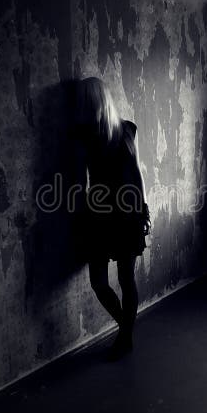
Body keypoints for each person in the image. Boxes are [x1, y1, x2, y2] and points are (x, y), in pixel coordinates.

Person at [76, 77, 150, 359]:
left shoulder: (127, 129)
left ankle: (125, 335)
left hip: (118, 214)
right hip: (108, 215)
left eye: (84, 100)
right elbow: (82, 180)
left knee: (124, 278)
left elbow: (138, 170)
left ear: (92, 101)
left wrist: (142, 208)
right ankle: (126, 330)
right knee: (102, 281)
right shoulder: (86, 135)